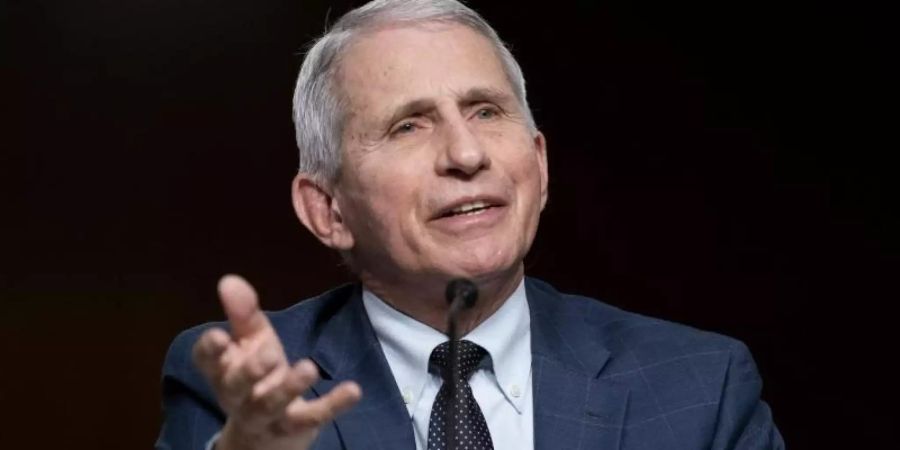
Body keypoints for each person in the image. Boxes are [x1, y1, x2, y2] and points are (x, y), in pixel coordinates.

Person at [155, 1, 784, 449]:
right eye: (409, 124)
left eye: (486, 112)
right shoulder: (243, 390)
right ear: (328, 210)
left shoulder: (701, 386)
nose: (466, 153)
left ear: (537, 165)